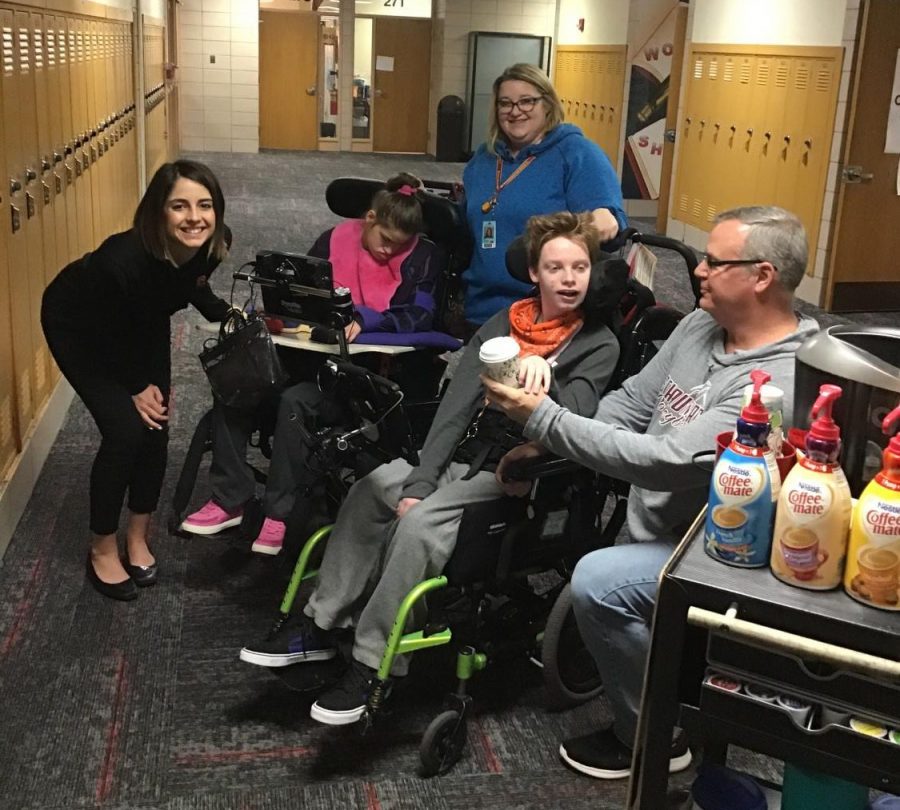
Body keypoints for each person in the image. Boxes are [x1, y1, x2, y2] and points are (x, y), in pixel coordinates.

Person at [238, 211, 622, 727]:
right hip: (463, 452)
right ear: (535, 273)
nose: (569, 278)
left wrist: (546, 380)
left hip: (516, 471)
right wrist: (420, 479)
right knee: (375, 488)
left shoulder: (599, 343)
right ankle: (322, 625)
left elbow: (578, 419)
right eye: (556, 267)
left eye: (579, 267)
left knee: (418, 527)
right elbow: (455, 408)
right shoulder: (502, 325)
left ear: (592, 272)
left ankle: (374, 663)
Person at [482, 206, 820, 780]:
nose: (699, 270)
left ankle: (654, 736)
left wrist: (545, 422)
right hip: (659, 528)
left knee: (597, 580)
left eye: (715, 261)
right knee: (604, 570)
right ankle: (662, 664)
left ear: (762, 276)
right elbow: (634, 402)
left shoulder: (777, 383)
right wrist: (553, 444)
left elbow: (665, 462)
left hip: (718, 553)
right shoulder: (699, 326)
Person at [179, 173, 442, 555]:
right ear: (369, 218)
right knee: (236, 383)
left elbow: (418, 317)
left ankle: (278, 514)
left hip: (357, 373)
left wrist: (366, 319)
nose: (388, 252)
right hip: (304, 354)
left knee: (294, 404)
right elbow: (301, 292)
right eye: (384, 240)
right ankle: (230, 498)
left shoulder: (423, 257)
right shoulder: (334, 239)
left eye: (398, 247)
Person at [41, 160, 233, 601]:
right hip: (81, 327)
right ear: (157, 212)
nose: (194, 217)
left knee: (157, 429)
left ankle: (137, 536)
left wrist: (231, 316)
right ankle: (102, 547)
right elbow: (107, 333)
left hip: (141, 321)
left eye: (205, 205)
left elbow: (192, 285)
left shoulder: (210, 243)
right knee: (126, 432)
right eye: (179, 206)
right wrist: (134, 384)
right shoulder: (119, 261)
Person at [460, 62, 627, 332]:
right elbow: (468, 221)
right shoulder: (485, 157)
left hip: (544, 314)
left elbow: (610, 223)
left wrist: (600, 217)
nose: (515, 112)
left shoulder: (576, 153)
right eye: (506, 103)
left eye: (527, 102)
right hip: (481, 308)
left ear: (547, 104)